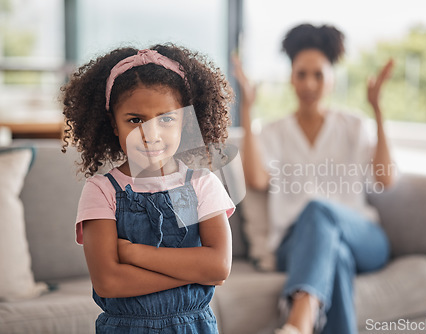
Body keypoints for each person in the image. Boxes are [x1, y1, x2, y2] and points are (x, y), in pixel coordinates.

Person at [232, 23, 397, 334]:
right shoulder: (274, 132)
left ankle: (298, 322)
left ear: (331, 79)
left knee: (319, 209)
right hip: (296, 246)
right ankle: (303, 318)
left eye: (318, 75)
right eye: (301, 74)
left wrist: (377, 110)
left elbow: (385, 179)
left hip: (365, 238)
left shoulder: (353, 126)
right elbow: (255, 179)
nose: (309, 83)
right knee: (338, 258)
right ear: (291, 78)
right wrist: (248, 108)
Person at [61, 44, 235, 333]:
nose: (150, 135)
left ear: (185, 121)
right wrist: (194, 271)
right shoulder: (101, 190)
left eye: (166, 119)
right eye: (135, 120)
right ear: (113, 125)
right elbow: (108, 282)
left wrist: (134, 255)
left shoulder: (200, 184)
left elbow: (218, 267)